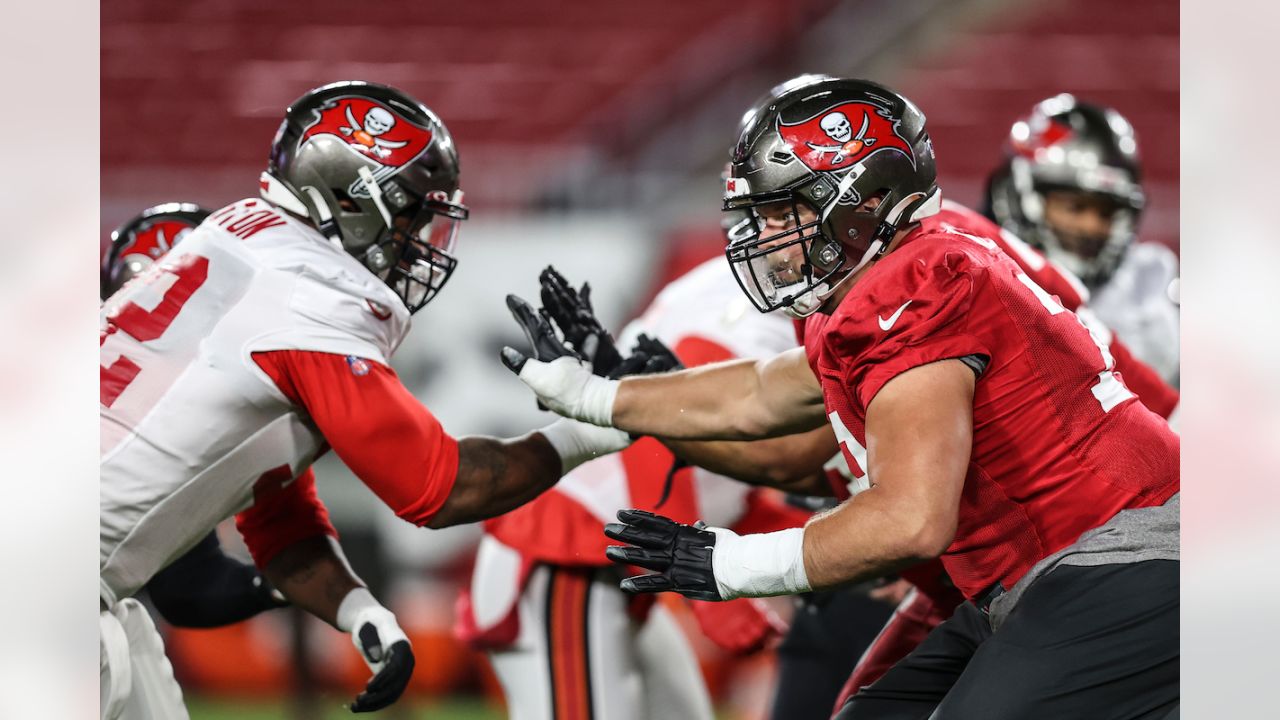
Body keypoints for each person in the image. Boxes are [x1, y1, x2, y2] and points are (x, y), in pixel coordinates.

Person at [505, 77, 1179, 718]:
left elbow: (909, 519)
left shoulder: (918, 282)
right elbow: (764, 395)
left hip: (1123, 554)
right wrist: (601, 395)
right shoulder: (887, 279)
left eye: (781, 209)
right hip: (1035, 570)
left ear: (863, 199)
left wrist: (730, 564)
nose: (763, 235)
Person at [100, 81, 629, 719]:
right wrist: (598, 425)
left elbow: (272, 509)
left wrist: (359, 611)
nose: (421, 238)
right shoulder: (313, 296)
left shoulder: (244, 240)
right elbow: (442, 489)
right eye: (410, 214)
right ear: (352, 200)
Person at [459, 265, 814, 720]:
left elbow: (724, 472)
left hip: (619, 566)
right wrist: (717, 601)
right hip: (567, 561)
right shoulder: (746, 314)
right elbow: (655, 448)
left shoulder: (743, 295)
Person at [103, 203, 291, 630]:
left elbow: (188, 583)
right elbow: (189, 588)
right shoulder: (162, 411)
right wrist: (298, 582)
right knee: (122, 635)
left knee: (127, 633)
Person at [986, 94, 1180, 383]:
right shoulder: (978, 272)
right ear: (1022, 197)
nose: (1091, 226)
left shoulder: (1146, 285)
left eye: (1106, 213)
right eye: (1076, 207)